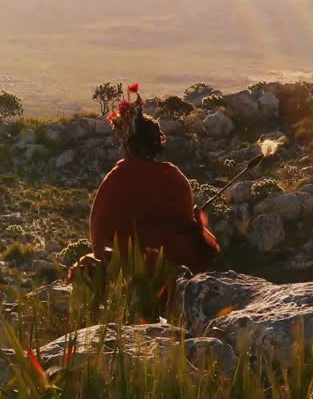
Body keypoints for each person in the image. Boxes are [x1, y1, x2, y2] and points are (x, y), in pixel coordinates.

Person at [88, 84, 220, 274]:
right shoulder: (174, 176)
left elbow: (100, 232)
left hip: (128, 270)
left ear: (128, 145)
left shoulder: (118, 178)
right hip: (174, 264)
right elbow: (185, 227)